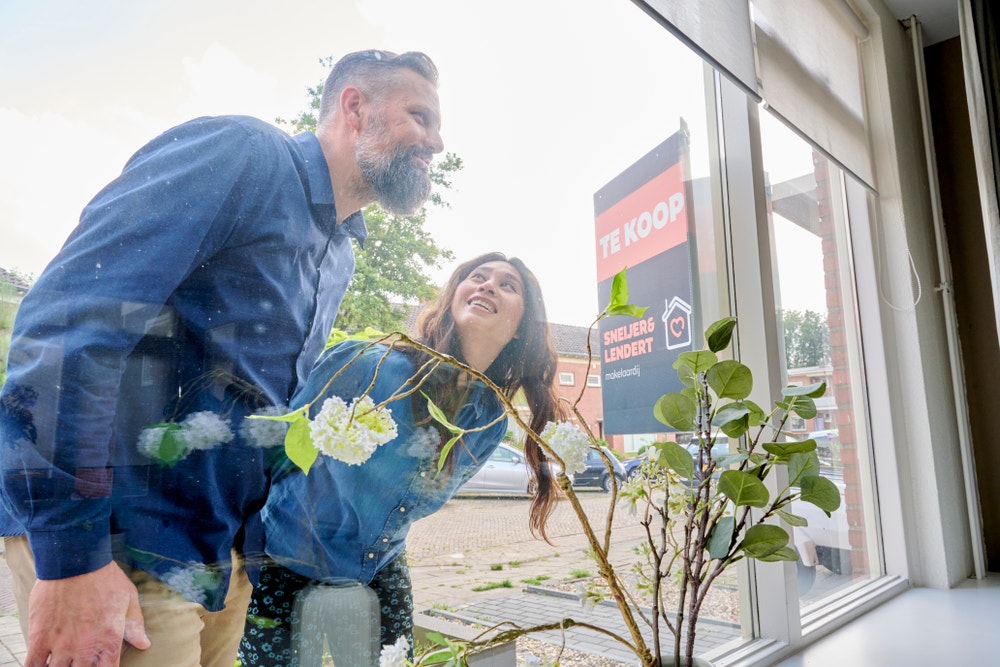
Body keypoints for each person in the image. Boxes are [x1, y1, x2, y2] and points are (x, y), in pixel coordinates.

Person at [0, 49, 443, 667]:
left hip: (221, 566)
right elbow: (68, 327)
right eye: (420, 116)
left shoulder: (339, 251)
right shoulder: (242, 155)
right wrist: (72, 557)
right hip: (122, 549)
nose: (436, 141)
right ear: (354, 106)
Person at [237, 252, 562, 666]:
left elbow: (419, 499)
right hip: (288, 561)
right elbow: (275, 453)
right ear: (454, 296)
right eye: (477, 276)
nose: (487, 285)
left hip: (380, 569)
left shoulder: (490, 420)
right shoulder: (367, 365)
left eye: (507, 284)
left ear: (520, 329)